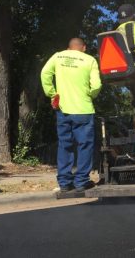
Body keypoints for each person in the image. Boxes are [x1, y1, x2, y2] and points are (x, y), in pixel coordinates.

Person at [41, 38, 102, 192]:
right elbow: (96, 85)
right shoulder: (89, 60)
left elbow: (45, 74)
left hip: (63, 109)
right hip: (84, 110)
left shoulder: (58, 56)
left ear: (68, 48)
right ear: (84, 48)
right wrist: (90, 95)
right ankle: (81, 181)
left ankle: (64, 183)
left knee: (65, 145)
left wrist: (52, 94)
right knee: (84, 145)